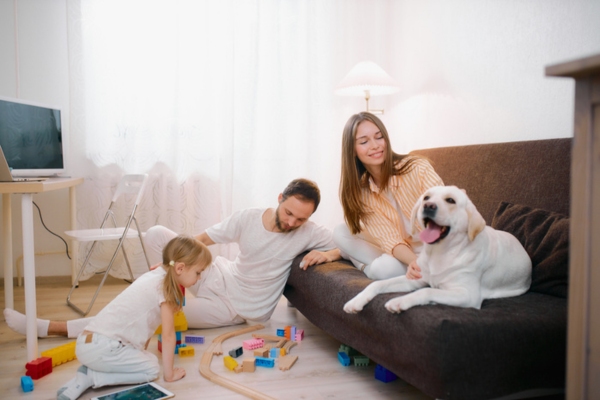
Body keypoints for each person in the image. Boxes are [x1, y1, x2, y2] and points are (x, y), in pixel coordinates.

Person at [4, 178, 340, 338]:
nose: (292, 222)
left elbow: (346, 245)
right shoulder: (248, 217)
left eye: (300, 218)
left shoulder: (308, 231)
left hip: (237, 309)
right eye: (289, 212)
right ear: (279, 197)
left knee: (148, 309)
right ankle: (166, 284)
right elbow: (203, 239)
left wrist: (327, 252)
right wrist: (174, 263)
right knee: (156, 234)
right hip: (219, 274)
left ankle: (50, 328)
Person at [57, 235, 212, 400]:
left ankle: (89, 373)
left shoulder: (152, 276)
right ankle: (93, 377)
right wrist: (170, 374)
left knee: (146, 358)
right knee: (152, 368)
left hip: (86, 343)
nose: (199, 278)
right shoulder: (165, 290)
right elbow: (168, 336)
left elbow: (145, 327)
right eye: (198, 272)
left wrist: (140, 354)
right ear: (180, 268)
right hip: (103, 348)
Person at [334, 112, 444, 280]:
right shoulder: (363, 191)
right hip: (405, 252)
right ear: (353, 151)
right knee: (340, 232)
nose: (375, 146)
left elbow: (446, 215)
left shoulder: (418, 168)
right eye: (364, 142)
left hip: (435, 249)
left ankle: (358, 262)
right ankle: (353, 257)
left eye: (379, 137)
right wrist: (414, 262)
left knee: (382, 270)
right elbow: (390, 240)